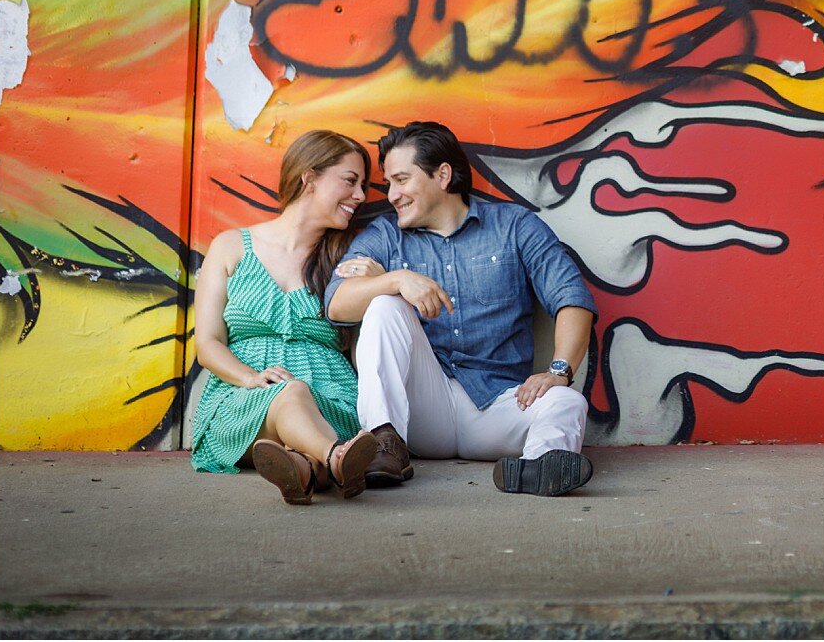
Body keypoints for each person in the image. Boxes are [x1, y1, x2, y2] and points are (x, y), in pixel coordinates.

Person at [325, 121, 597, 496]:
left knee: (567, 401)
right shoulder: (386, 236)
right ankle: (383, 444)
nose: (391, 195)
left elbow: (572, 297)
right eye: (388, 183)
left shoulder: (513, 226)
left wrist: (558, 371)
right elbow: (338, 304)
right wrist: (396, 279)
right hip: (422, 408)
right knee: (385, 305)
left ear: (442, 175)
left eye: (402, 180)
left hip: (500, 403)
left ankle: (538, 467)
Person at [190, 130, 379, 504]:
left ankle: (306, 469)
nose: (360, 196)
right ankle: (336, 457)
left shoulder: (349, 255)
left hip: (331, 398)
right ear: (309, 177)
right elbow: (207, 344)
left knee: (300, 400)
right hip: (240, 400)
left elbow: (366, 346)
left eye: (363, 186)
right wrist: (250, 377)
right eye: (350, 181)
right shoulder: (230, 246)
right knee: (290, 392)